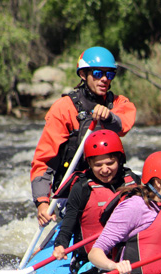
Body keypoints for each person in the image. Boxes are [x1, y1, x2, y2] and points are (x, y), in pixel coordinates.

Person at [31, 46, 137, 226]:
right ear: (83, 74)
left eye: (109, 74)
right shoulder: (64, 108)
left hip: (110, 178)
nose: (104, 79)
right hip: (74, 187)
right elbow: (44, 160)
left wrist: (109, 116)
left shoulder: (118, 103)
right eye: (97, 73)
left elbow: (123, 124)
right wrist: (42, 202)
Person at [51, 129, 139, 274]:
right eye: (98, 165)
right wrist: (60, 244)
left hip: (127, 256)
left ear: (120, 159)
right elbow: (69, 222)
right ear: (89, 163)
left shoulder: (133, 181)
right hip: (91, 259)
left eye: (110, 163)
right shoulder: (82, 187)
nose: (105, 170)